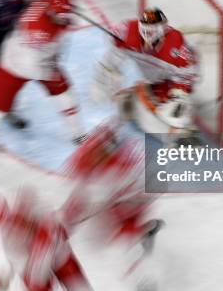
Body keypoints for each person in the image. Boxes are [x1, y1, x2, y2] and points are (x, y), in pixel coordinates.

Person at [0, 0, 85, 168]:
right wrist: (53, 68)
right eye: (61, 16)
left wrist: (69, 10)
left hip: (39, 58)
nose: (64, 19)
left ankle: (78, 135)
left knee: (66, 97)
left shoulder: (48, 1)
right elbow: (33, 68)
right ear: (50, 12)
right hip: (17, 67)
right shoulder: (37, 31)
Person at [60, 119, 163, 290]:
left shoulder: (119, 165)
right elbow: (80, 197)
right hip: (125, 195)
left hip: (131, 198)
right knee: (103, 238)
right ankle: (143, 233)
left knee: (117, 243)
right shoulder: (88, 158)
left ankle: (142, 275)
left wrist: (66, 223)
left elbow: (83, 202)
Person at [92, 8, 200, 136]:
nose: (148, 36)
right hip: (153, 79)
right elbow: (111, 57)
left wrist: (179, 92)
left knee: (175, 113)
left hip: (172, 79)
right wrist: (103, 78)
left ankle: (182, 132)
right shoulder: (127, 32)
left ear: (162, 29)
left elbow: (190, 72)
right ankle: (130, 104)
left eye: (152, 30)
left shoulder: (176, 44)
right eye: (145, 29)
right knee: (119, 95)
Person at [0, 187, 92, 291]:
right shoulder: (6, 239)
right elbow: (15, 263)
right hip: (37, 263)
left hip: (56, 254)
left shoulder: (32, 211)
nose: (14, 224)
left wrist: (68, 215)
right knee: (35, 279)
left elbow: (58, 222)